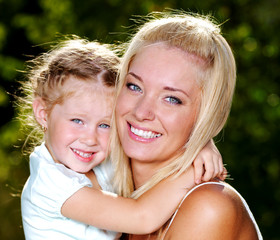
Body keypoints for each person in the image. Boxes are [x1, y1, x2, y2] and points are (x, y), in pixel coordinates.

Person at [19, 37, 226, 240]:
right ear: (43, 113)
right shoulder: (50, 184)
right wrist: (194, 172)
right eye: (77, 121)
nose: (90, 138)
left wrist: (201, 143)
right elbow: (142, 217)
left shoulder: (101, 160)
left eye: (104, 125)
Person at [109, 12, 263, 239]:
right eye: (134, 87)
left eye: (172, 99)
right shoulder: (104, 186)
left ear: (205, 116)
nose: (141, 112)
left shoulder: (208, 207)